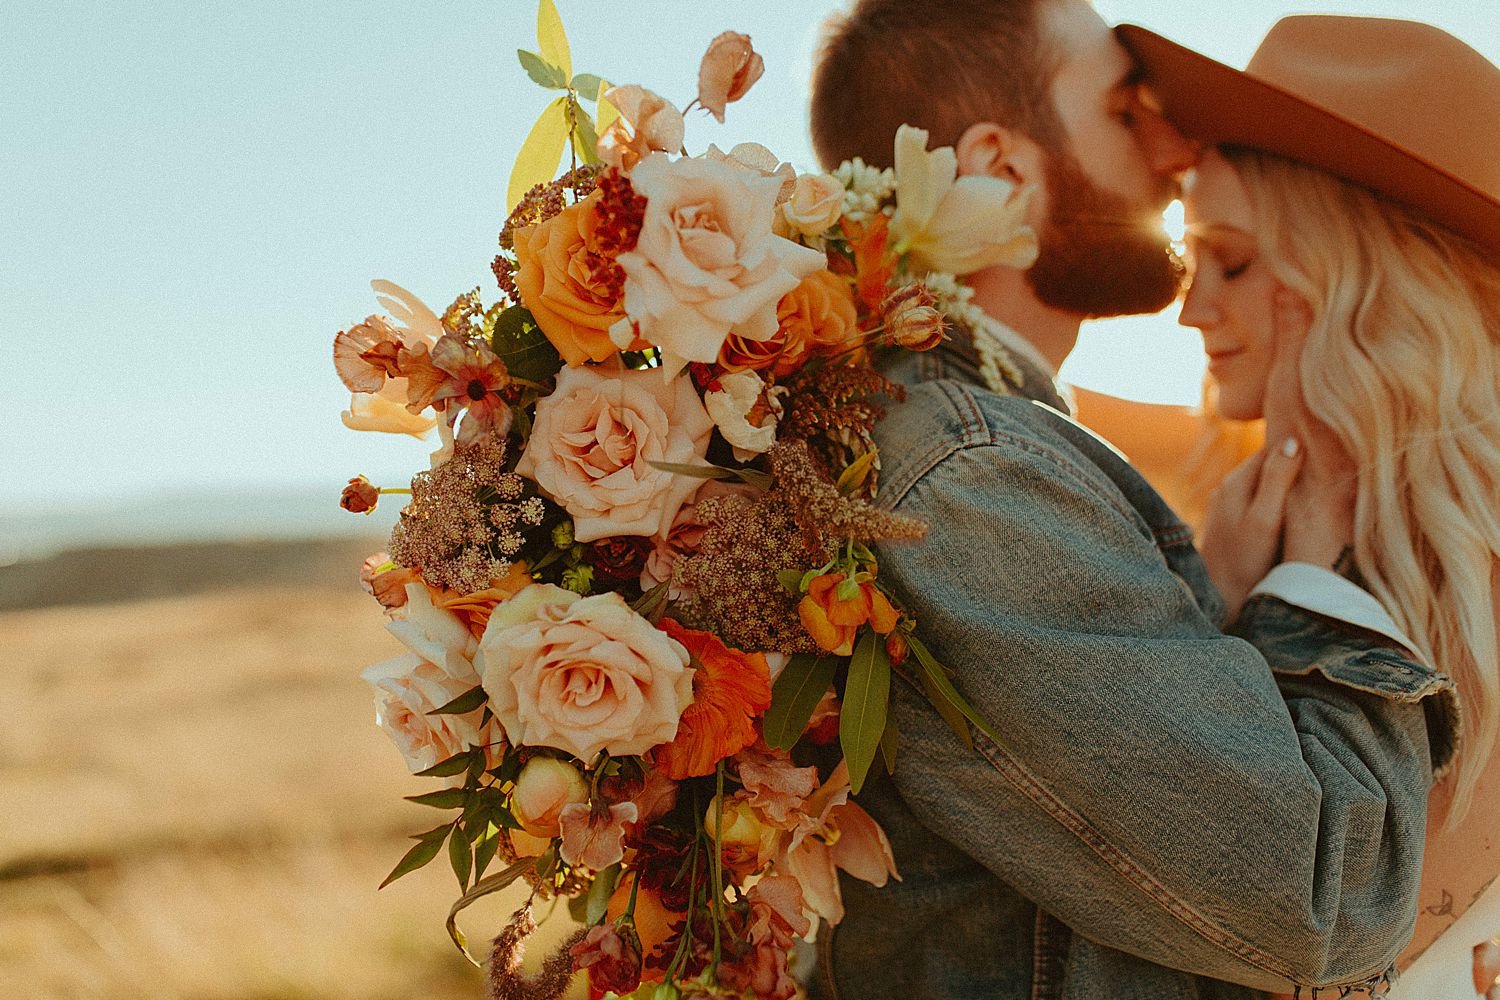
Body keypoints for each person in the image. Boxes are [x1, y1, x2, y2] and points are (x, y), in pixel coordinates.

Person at [807, 1, 1458, 997]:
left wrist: (1224, 617)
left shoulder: (978, 452)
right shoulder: (968, 474)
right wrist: (1304, 593)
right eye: (1123, 112)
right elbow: (1329, 893)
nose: (1171, 145)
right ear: (1002, 167)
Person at [1116, 15, 1500, 997]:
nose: (1192, 308)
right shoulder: (1282, 529)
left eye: (1233, 262)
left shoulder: (1467, 571)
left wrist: (1241, 621)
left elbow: (1343, 955)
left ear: (1357, 283)